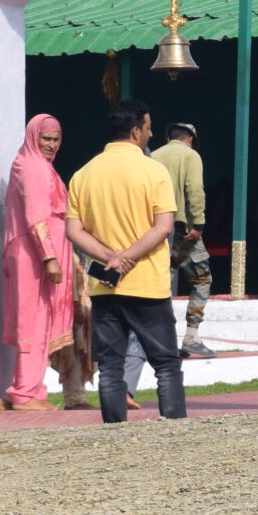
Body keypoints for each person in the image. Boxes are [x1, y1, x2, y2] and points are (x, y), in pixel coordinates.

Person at [65, 97, 186, 424]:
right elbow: (164, 227)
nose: (150, 135)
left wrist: (109, 258)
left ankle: (115, 432)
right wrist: (127, 257)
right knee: (166, 364)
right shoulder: (153, 171)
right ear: (135, 131)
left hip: (105, 285)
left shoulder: (84, 174)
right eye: (147, 129)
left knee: (111, 366)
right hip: (147, 283)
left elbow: (74, 231)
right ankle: (176, 427)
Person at [0, 114, 76, 410]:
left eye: (55, 140)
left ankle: (33, 388)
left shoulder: (40, 166)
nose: (52, 145)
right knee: (33, 321)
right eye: (46, 139)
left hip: (39, 255)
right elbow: (35, 215)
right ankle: (24, 392)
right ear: (33, 137)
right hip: (34, 257)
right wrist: (49, 257)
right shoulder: (31, 167)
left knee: (41, 321)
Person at [156, 122, 215, 357]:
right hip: (183, 230)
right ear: (189, 137)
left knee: (162, 283)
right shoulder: (191, 155)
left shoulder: (152, 155)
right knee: (202, 279)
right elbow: (195, 189)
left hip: (155, 230)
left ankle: (164, 339)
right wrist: (198, 224)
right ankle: (191, 337)